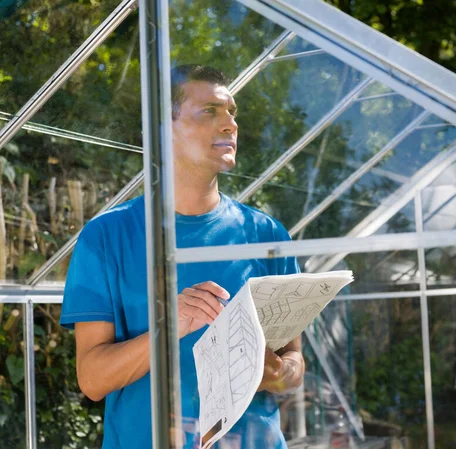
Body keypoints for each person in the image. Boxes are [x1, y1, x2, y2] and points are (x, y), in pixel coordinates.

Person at [60, 65, 306, 449]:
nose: (229, 124)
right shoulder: (105, 237)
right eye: (209, 111)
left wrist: (273, 371)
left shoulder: (268, 235)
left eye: (231, 112)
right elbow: (92, 381)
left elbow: (293, 366)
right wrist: (168, 327)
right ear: (164, 129)